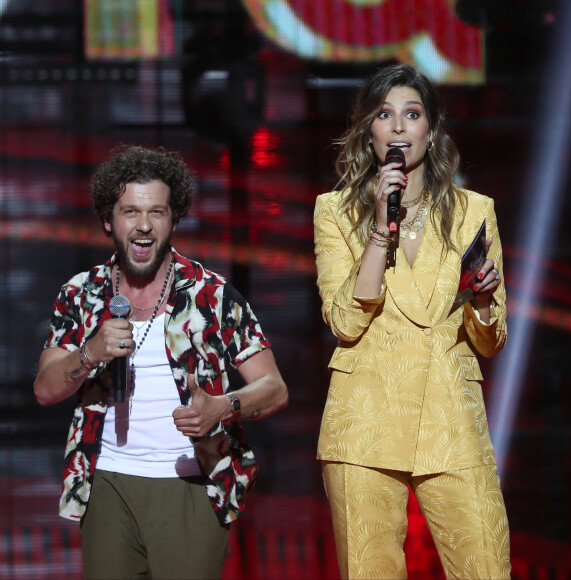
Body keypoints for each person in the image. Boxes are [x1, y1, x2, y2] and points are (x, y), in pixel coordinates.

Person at [34, 144, 288, 580]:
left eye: (157, 212)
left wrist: (222, 406)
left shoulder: (212, 295)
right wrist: (90, 352)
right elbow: (45, 389)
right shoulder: (82, 294)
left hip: (190, 482)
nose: (144, 225)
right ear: (107, 220)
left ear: (174, 219)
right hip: (107, 482)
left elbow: (274, 389)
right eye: (130, 211)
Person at [313, 63, 510, 579]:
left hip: (452, 421)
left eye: (412, 113)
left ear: (431, 129)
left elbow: (491, 340)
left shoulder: (474, 211)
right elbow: (344, 323)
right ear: (369, 132)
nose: (399, 126)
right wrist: (380, 229)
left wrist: (485, 300)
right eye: (385, 114)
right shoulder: (335, 212)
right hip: (364, 423)